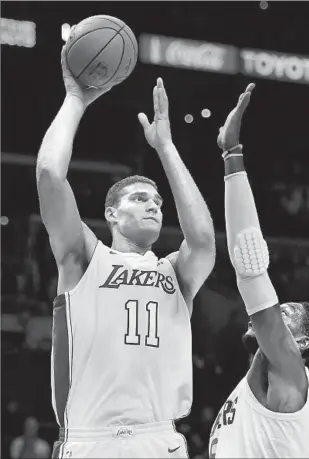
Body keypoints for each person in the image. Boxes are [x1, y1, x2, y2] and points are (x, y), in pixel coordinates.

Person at [36, 45, 215, 459]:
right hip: (90, 439)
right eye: (139, 198)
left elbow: (204, 241)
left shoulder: (175, 273)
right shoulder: (83, 258)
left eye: (157, 201)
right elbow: (49, 175)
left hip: (159, 438)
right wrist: (75, 99)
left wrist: (166, 148)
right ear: (111, 213)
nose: (154, 204)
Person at [208, 83, 309, 458]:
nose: (273, 310)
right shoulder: (268, 381)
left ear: (301, 344)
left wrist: (232, 155)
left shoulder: (290, 370)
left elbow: (251, 268)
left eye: (284, 312)